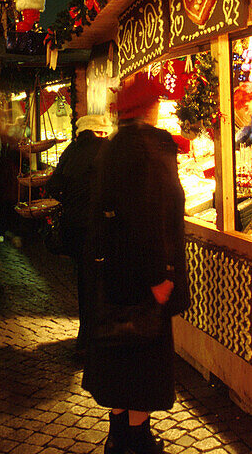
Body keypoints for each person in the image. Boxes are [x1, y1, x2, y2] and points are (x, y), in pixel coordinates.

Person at [82, 76, 189, 454]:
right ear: (149, 106)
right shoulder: (146, 149)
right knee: (142, 363)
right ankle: (136, 441)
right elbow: (148, 219)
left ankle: (119, 436)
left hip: (116, 277)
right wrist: (159, 277)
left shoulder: (114, 147)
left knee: (120, 357)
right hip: (144, 280)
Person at [45, 113, 109, 351]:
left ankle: (85, 336)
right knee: (99, 283)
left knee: (84, 282)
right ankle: (95, 339)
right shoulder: (106, 149)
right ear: (100, 131)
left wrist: (72, 201)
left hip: (74, 228)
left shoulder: (71, 151)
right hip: (99, 229)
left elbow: (54, 187)